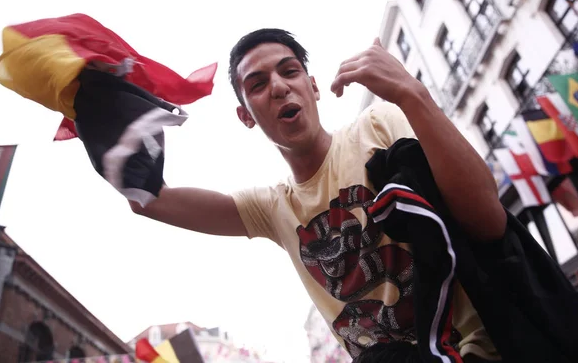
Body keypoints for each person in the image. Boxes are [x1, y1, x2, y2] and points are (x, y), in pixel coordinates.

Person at [129, 29, 507, 362]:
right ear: (246, 116)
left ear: (313, 86)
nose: (278, 87)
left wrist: (411, 93)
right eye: (257, 85)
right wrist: (106, 102)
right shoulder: (273, 208)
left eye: (289, 71)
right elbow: (147, 199)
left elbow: (490, 219)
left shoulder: (379, 126)